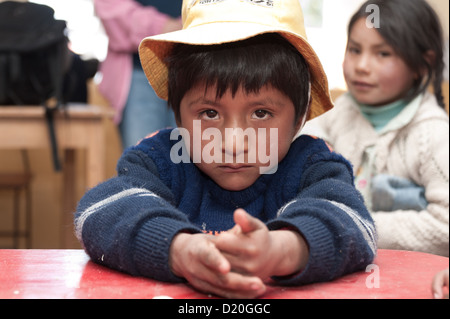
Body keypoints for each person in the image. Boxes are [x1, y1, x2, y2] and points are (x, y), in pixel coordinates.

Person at [75, 0, 376, 299]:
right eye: (209, 113)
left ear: (299, 118)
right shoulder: (163, 158)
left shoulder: (311, 164)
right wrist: (179, 249)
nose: (233, 144)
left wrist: (282, 250)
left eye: (261, 113)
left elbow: (355, 222)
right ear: (178, 116)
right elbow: (98, 211)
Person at [304, 0, 448, 256]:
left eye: (383, 54)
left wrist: (350, 225)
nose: (362, 66)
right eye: (355, 50)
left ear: (421, 65)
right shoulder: (335, 114)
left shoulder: (434, 135)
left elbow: (444, 225)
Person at [94, 0, 182, 148]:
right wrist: (175, 28)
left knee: (196, 162)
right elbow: (111, 10)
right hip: (138, 75)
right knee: (145, 159)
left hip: (195, 70)